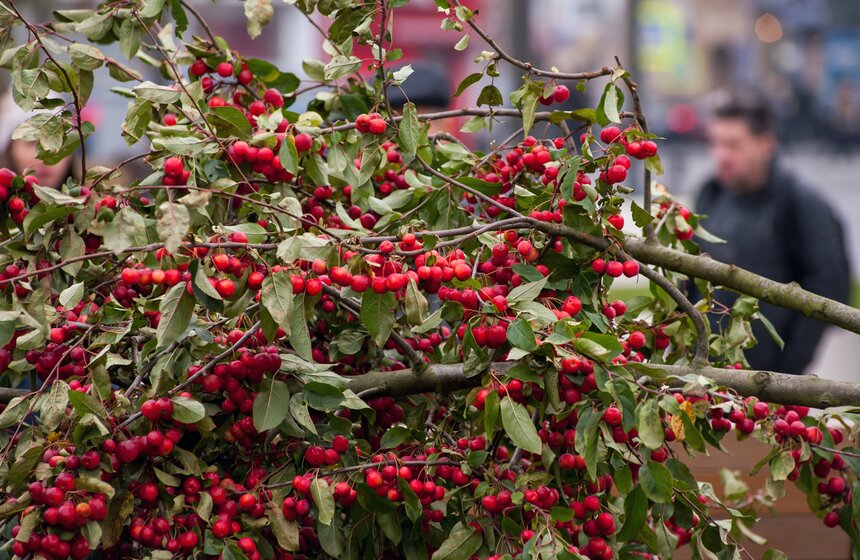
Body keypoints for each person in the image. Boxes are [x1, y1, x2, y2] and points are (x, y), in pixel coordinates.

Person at [695, 94, 851, 374]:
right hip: (709, 374)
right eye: (715, 143)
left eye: (733, 144)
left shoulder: (801, 204)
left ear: (765, 144)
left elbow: (830, 287)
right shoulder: (710, 195)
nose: (721, 155)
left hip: (769, 382)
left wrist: (785, 371)